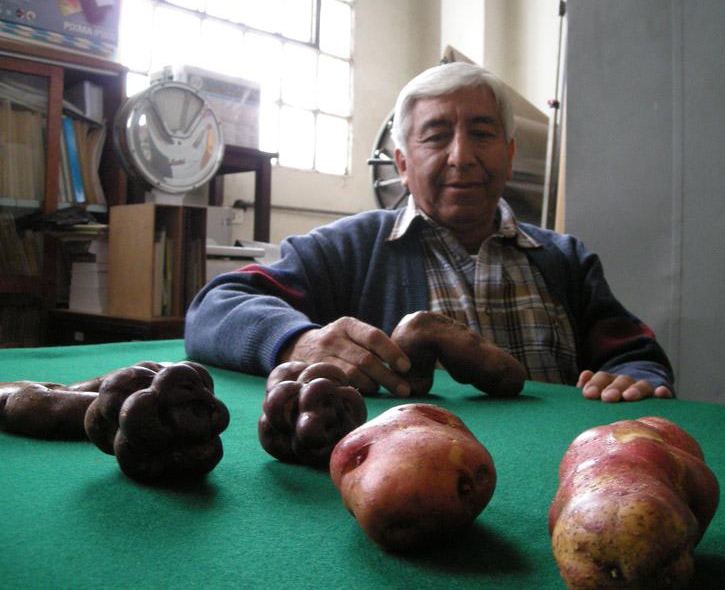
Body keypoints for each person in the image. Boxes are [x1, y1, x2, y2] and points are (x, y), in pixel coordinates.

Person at [185, 62, 674, 403]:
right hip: (418, 484)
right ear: (401, 163)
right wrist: (297, 342)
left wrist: (635, 378)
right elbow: (214, 307)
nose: (462, 156)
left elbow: (636, 354)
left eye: (481, 134)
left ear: (507, 155)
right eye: (437, 136)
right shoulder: (350, 250)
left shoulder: (566, 259)